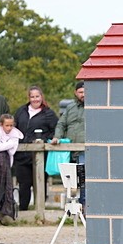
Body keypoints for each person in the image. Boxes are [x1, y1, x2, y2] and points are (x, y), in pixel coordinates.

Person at [14, 85, 59, 212]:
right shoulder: (21, 111)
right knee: (24, 184)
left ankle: (40, 211)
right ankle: (23, 211)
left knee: (40, 183)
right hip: (22, 154)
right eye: (32, 96)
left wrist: (45, 140)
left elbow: (55, 130)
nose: (35, 99)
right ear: (29, 98)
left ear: (41, 97)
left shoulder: (48, 113)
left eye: (37, 96)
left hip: (40, 155)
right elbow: (14, 128)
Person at [52, 82, 87, 210]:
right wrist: (57, 137)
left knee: (84, 180)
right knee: (68, 180)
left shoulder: (95, 106)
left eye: (85, 92)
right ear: (75, 93)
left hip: (85, 150)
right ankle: (69, 209)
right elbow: (61, 124)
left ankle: (85, 207)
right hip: (69, 150)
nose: (83, 95)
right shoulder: (70, 107)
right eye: (80, 92)